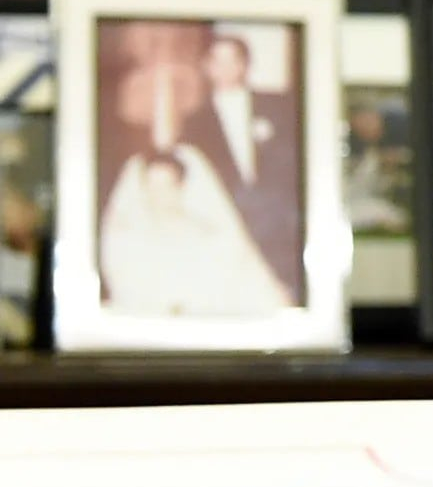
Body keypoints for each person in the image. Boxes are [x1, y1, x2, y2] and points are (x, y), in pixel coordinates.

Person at [93, 20, 292, 317]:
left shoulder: (280, 107)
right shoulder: (193, 126)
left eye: (232, 61)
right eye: (217, 61)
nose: (225, 69)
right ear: (207, 67)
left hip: (279, 233)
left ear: (245, 65)